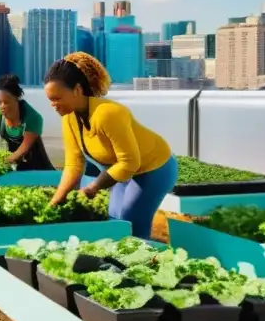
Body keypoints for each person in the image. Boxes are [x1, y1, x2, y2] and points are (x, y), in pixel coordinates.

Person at [43, 52, 177, 238]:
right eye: (50, 100)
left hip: (154, 168)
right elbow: (74, 165)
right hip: (120, 171)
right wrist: (56, 202)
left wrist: (94, 187)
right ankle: (122, 263)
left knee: (131, 222)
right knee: (115, 220)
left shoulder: (108, 114)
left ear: (78, 90)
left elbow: (129, 162)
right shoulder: (70, 119)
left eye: (57, 98)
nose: (53, 105)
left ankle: (145, 262)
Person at [0, 74, 53, 171]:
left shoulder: (33, 117)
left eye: (6, 102)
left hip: (39, 170)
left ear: (16, 99)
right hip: (17, 169)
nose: (2, 106)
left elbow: (22, 151)